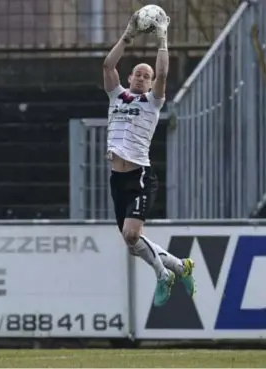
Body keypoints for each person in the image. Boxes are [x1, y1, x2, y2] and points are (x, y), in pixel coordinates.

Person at [102, 11, 195, 307]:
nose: (142, 77)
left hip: (140, 176)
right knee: (132, 244)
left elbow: (164, 74)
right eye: (138, 74)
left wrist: (162, 38)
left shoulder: (151, 103)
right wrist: (128, 35)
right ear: (129, 78)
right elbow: (107, 64)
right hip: (117, 178)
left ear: (151, 82)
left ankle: (163, 275)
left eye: (147, 75)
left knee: (132, 234)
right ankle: (180, 267)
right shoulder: (117, 96)